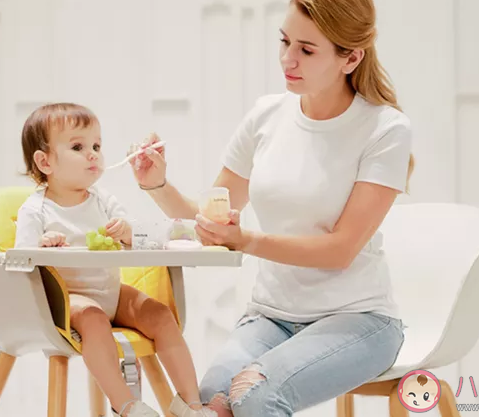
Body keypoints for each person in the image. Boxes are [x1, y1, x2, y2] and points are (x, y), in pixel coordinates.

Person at [128, 0, 413, 415]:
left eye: (306, 50)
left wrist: (246, 240)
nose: (287, 59)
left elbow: (340, 250)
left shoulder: (384, 129)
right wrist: (156, 183)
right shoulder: (266, 116)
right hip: (270, 318)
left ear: (350, 58)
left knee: (255, 394)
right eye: (284, 42)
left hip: (359, 321)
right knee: (206, 403)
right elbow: (210, 216)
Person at [14, 103, 216, 417]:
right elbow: (23, 260)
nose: (93, 153)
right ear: (45, 161)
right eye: (78, 147)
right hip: (69, 301)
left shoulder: (104, 201)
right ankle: (127, 404)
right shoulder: (36, 210)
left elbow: (136, 237)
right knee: (94, 319)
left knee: (161, 316)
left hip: (111, 292)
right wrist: (43, 243)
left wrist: (126, 231)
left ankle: (190, 404)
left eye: (96, 145)